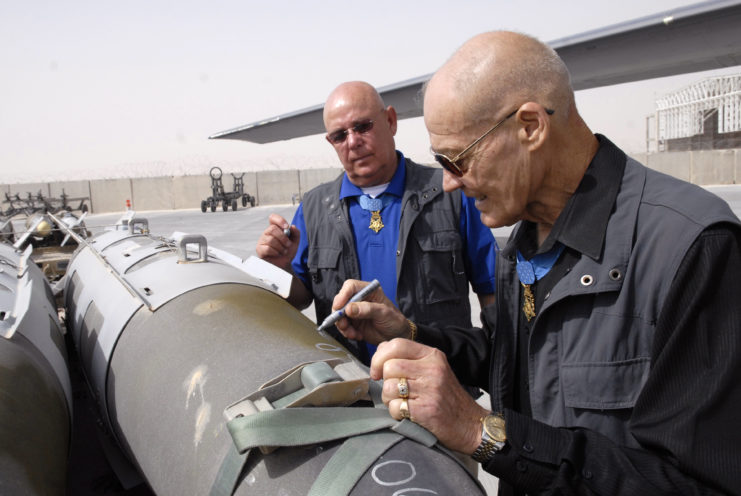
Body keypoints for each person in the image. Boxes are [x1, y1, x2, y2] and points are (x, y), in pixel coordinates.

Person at [331, 32, 741, 495]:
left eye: (457, 159)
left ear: (529, 126)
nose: (447, 183)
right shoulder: (528, 239)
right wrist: (408, 333)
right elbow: (518, 363)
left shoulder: (692, 249)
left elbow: (702, 484)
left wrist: (483, 433)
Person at [256, 81, 498, 365]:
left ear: (391, 121)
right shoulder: (313, 209)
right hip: (352, 394)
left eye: (362, 127)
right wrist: (280, 268)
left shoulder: (450, 195)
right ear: (331, 142)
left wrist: (501, 373)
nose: (353, 141)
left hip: (435, 386)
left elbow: (492, 291)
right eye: (339, 135)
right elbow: (300, 299)